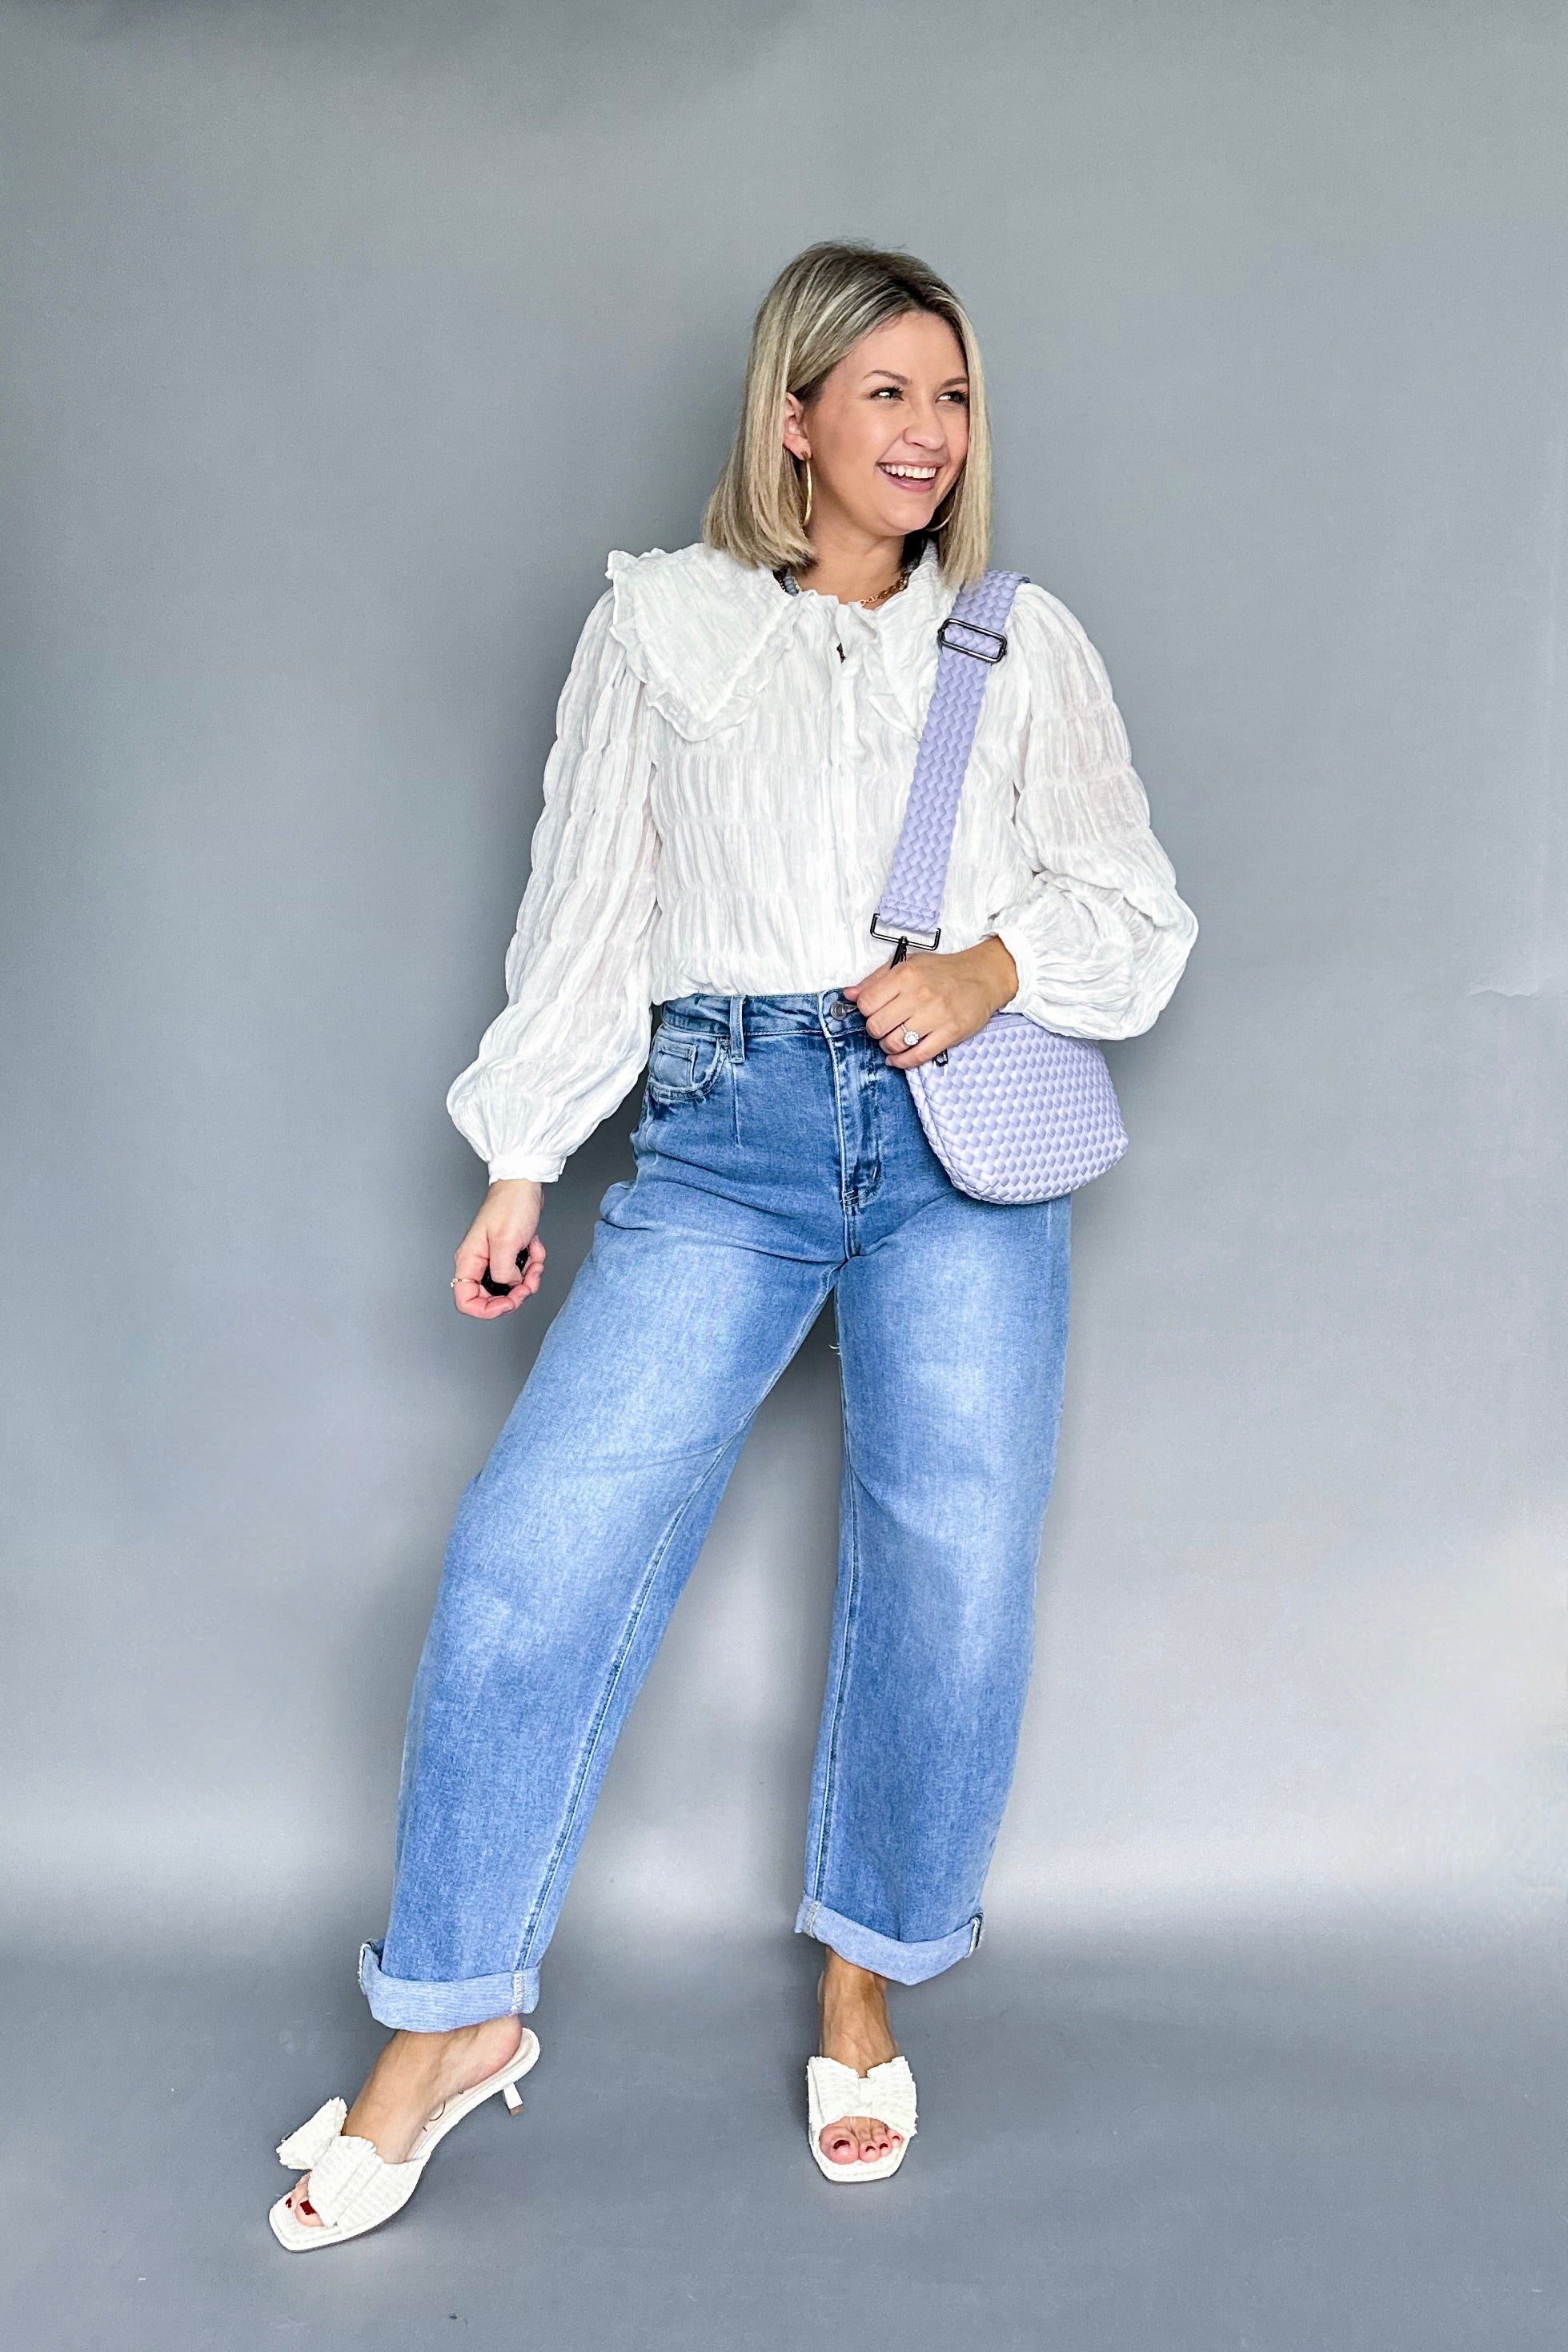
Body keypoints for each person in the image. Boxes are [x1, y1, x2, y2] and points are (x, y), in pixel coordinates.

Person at [270, 240, 1197, 2249]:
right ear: (792, 416)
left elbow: (1135, 910)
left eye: (951, 397)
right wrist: (521, 1154)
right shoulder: (661, 628)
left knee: (949, 1563)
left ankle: (864, 1974)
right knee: (534, 1554)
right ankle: (450, 2019)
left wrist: (985, 965)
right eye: (884, 393)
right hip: (723, 1127)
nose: (926, 434)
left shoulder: (1015, 641)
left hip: (955, 1139)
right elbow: (588, 906)